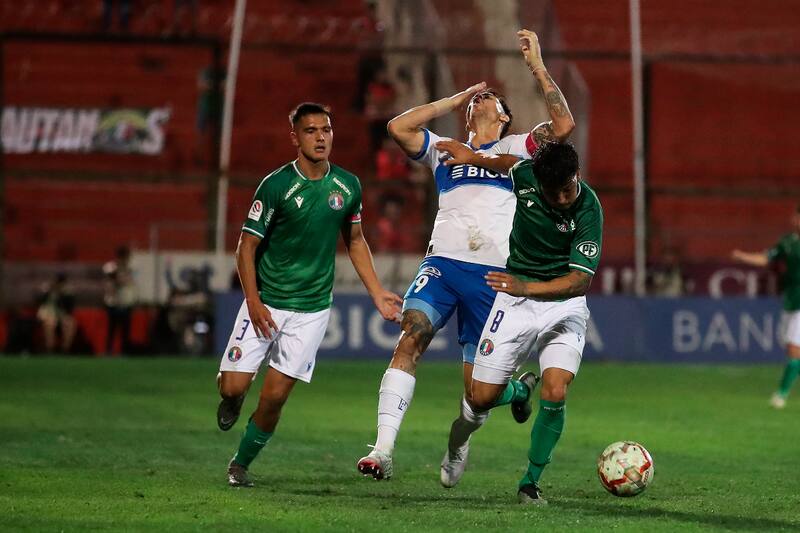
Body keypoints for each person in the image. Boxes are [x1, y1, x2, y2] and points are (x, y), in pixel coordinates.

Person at [357, 29, 576, 484]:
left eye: (490, 97)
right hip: (443, 265)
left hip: (495, 277)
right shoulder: (443, 150)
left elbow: (562, 128)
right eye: (478, 98)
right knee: (411, 337)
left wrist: (536, 65)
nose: (483, 100)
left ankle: (467, 436)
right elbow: (398, 127)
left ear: (506, 116)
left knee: (477, 397)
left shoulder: (518, 150)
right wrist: (456, 100)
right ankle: (382, 450)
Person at [217, 102, 402, 487]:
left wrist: (377, 292)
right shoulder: (276, 185)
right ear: (295, 137)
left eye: (326, 130)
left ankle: (240, 464)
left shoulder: (347, 186)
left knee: (274, 399)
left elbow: (354, 240)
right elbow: (245, 248)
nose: (320, 137)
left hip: (311, 310)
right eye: (311, 131)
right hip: (266, 301)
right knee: (233, 386)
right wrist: (252, 300)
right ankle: (233, 398)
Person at [472, 141, 603, 504]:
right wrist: (469, 156)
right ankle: (518, 391)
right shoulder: (525, 175)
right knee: (480, 398)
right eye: (553, 192)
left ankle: (530, 482)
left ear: (577, 174)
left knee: (557, 390)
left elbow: (580, 280)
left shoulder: (589, 208)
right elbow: (507, 163)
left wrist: (527, 286)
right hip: (514, 302)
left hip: (564, 304)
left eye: (567, 189)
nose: (562, 198)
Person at [732, 203, 800, 409]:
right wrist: (742, 256)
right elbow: (766, 258)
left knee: (794, 348)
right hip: (791, 299)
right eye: (796, 216)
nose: (795, 219)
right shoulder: (788, 242)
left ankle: (781, 394)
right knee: (788, 344)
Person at [103, 246, 136, 355]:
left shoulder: (129, 269)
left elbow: (130, 283)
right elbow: (116, 280)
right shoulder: (111, 267)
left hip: (125, 303)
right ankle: (109, 350)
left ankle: (124, 350)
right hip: (113, 302)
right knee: (112, 328)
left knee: (125, 329)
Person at [36, 272, 76, 354]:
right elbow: (39, 302)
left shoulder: (67, 294)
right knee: (50, 323)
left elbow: (69, 309)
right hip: (47, 314)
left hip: (61, 316)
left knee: (70, 324)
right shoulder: (48, 291)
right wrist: (48, 291)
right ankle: (50, 349)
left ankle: (65, 350)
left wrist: (61, 294)